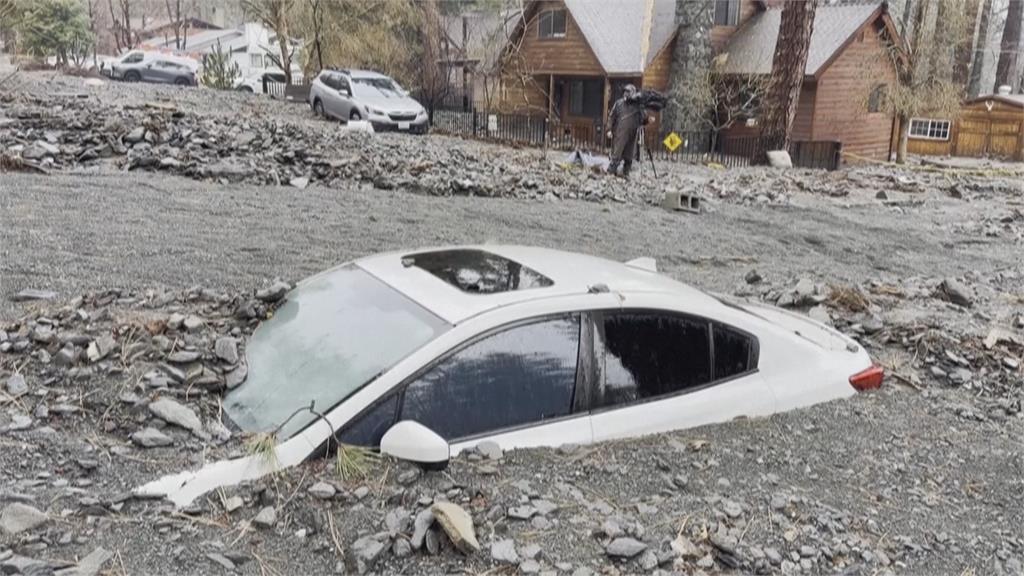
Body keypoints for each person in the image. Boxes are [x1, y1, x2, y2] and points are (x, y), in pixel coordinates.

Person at [606, 84, 647, 178]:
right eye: (625, 91)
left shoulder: (637, 105)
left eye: (628, 92)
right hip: (620, 132)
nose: (626, 94)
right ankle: (610, 172)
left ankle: (626, 173)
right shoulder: (618, 103)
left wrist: (645, 115)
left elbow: (643, 119)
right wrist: (609, 129)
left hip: (633, 134)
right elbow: (611, 117)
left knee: (629, 154)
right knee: (617, 153)